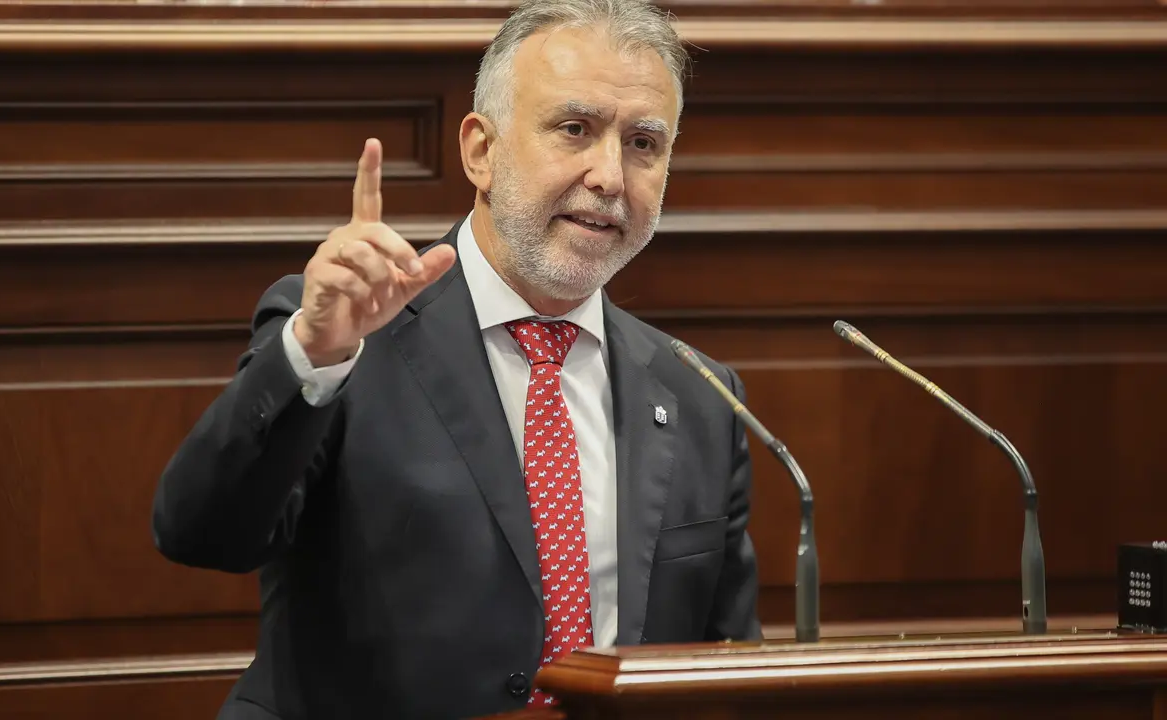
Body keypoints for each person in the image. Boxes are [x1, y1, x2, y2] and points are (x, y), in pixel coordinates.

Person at [152, 0, 761, 717]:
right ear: (480, 151)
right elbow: (202, 533)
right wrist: (311, 356)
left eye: (643, 143)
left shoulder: (700, 395)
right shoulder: (344, 339)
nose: (609, 175)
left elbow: (725, 676)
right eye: (575, 129)